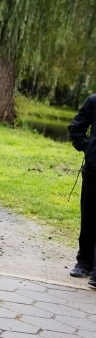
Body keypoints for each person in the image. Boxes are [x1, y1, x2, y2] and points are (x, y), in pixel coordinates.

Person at [68, 94, 96, 288]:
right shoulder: (93, 101)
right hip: (93, 170)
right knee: (89, 216)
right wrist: (88, 147)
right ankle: (84, 261)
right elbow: (76, 127)